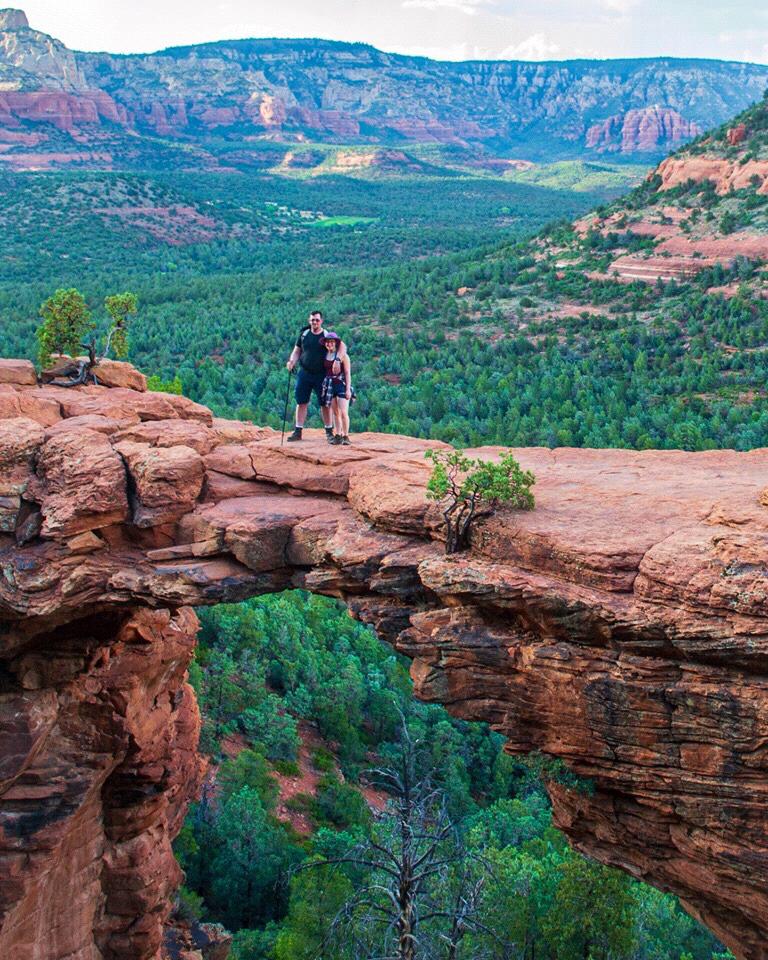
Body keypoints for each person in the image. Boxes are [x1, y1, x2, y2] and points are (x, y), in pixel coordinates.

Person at [285, 311, 347, 442]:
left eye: (317, 320)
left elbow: (342, 346)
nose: (315, 322)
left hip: (322, 375)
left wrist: (338, 360)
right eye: (313, 320)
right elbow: (297, 351)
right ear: (309, 320)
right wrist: (291, 361)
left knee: (325, 403)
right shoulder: (304, 335)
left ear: (321, 321)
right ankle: (298, 431)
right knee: (301, 402)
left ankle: (329, 432)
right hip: (305, 373)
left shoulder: (326, 335)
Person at [319, 331, 352, 445]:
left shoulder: (343, 356)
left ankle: (346, 436)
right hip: (329, 385)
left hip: (341, 385)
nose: (329, 344)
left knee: (343, 412)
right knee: (335, 412)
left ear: (336, 343)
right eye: (328, 342)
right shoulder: (325, 355)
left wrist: (348, 389)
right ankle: (338, 434)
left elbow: (347, 373)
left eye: (332, 342)